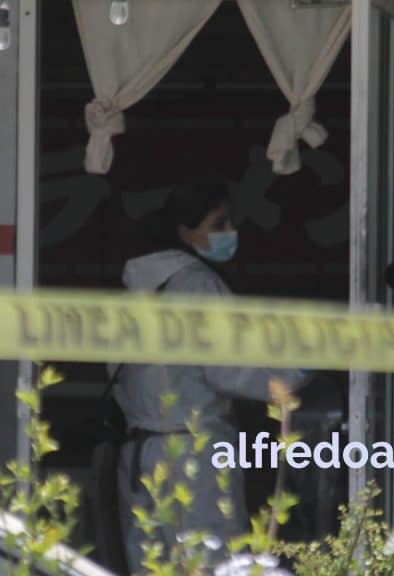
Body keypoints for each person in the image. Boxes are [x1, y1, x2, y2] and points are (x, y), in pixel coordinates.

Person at [111, 178, 308, 570]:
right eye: (218, 224)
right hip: (193, 457)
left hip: (140, 454)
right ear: (185, 231)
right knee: (212, 564)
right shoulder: (197, 284)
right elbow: (229, 371)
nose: (230, 233)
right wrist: (297, 372)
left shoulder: (137, 288)